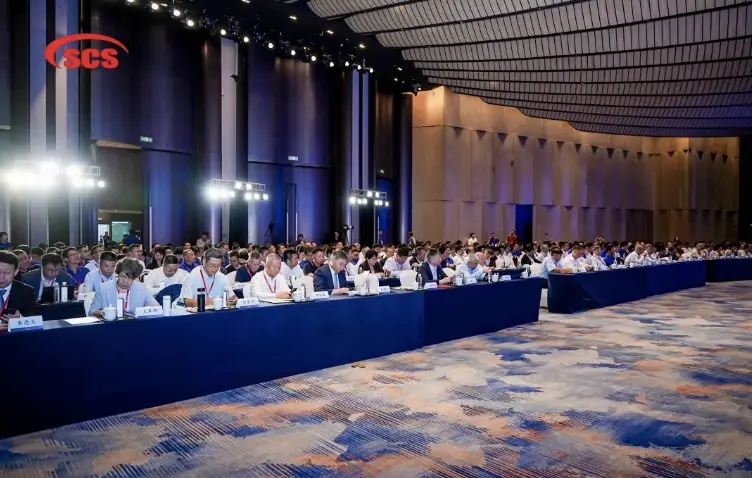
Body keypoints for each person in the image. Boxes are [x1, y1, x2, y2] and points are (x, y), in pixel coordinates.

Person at [89, 258, 158, 317]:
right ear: (117, 274)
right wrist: (104, 313)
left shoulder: (141, 288)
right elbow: (92, 311)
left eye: (130, 278)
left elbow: (155, 306)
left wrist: (144, 310)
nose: (125, 281)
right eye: (123, 276)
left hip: (135, 324)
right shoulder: (103, 288)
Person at [0, 251, 36, 322]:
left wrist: (20, 318)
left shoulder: (26, 291)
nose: (1, 277)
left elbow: (32, 316)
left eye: (6, 272)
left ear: (16, 272)